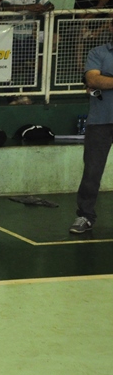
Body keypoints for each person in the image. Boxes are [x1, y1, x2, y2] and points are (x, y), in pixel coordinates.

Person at [70, 18, 113, 235]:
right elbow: (93, 82)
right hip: (100, 121)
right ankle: (85, 216)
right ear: (111, 27)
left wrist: (107, 80)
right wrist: (98, 83)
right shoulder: (98, 53)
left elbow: (99, 83)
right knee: (92, 171)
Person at [1, 0, 54, 102]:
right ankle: (10, 95)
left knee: (35, 65)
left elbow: (50, 5)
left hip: (29, 36)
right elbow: (6, 7)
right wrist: (28, 7)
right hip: (12, 36)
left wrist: (41, 9)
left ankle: (26, 92)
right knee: (8, 66)